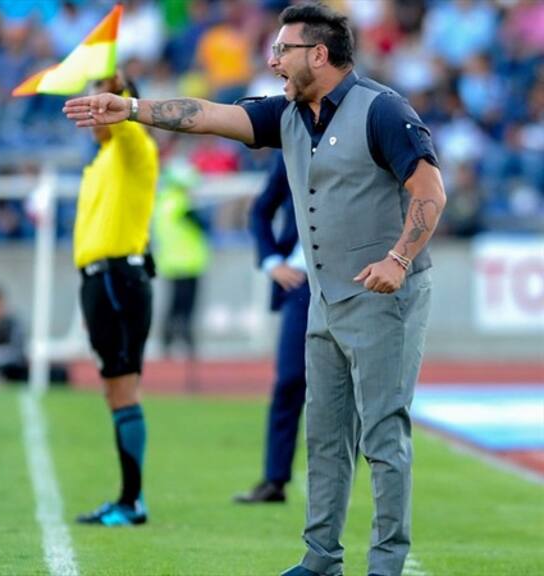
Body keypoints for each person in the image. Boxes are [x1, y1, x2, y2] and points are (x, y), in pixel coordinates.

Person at [63, 3, 446, 574]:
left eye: (282, 51)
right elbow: (206, 115)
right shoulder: (288, 113)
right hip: (324, 299)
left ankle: (386, 564)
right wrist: (134, 109)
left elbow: (431, 190)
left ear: (318, 54)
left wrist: (399, 258)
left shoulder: (382, 110)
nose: (272, 61)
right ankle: (320, 559)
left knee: (383, 438)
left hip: (385, 297)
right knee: (323, 438)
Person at [71, 72, 159, 527]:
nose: (93, 112)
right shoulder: (104, 159)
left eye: (100, 103)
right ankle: (129, 499)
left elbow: (127, 124)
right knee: (114, 388)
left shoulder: (134, 148)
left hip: (118, 278)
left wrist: (120, 91)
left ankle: (132, 501)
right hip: (100, 282)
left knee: (123, 386)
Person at [234, 153, 309, 505]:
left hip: (351, 279)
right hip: (301, 283)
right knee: (290, 380)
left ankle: (343, 481)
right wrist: (271, 261)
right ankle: (275, 479)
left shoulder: (364, 135)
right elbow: (261, 210)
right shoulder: (291, 150)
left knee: (352, 386)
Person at [153, 160, 209, 363]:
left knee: (172, 307)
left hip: (171, 263)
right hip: (189, 263)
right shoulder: (181, 203)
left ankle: (166, 345)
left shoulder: (162, 201)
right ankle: (187, 346)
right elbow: (203, 225)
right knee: (186, 308)